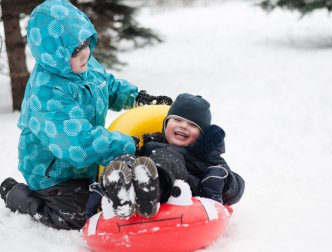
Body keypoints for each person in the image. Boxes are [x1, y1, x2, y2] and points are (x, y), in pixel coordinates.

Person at [0, 0, 171, 230]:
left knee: (112, 189)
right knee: (81, 214)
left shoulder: (83, 64)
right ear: (54, 55)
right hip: (52, 174)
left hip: (85, 163)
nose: (85, 53)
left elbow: (106, 85)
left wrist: (136, 98)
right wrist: (124, 143)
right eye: (74, 50)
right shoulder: (47, 94)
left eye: (85, 42)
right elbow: (77, 144)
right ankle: (16, 195)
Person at [94, 93, 245, 219]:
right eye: (177, 119)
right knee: (127, 158)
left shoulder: (205, 155)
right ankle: (117, 191)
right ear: (166, 123)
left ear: (201, 135)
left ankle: (149, 189)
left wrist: (225, 182)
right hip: (139, 184)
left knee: (167, 157)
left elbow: (236, 187)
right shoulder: (149, 144)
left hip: (181, 192)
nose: (183, 126)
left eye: (193, 125)